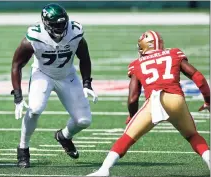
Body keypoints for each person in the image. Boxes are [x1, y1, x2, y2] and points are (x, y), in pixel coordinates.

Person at [87, 30, 210, 176]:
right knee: (192, 135)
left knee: (127, 137)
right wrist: (208, 100)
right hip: (176, 99)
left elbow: (133, 97)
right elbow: (199, 77)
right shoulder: (174, 54)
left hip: (156, 100)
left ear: (144, 47)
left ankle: (104, 170)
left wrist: (132, 115)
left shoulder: (137, 64)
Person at [11, 3, 98, 168]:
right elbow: (17, 65)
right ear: (45, 23)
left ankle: (64, 136)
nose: (60, 28)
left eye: (62, 24)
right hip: (42, 74)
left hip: (67, 75)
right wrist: (17, 95)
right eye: (55, 25)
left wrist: (87, 83)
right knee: (35, 109)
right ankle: (23, 148)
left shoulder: (75, 32)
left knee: (84, 121)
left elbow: (84, 57)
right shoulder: (33, 38)